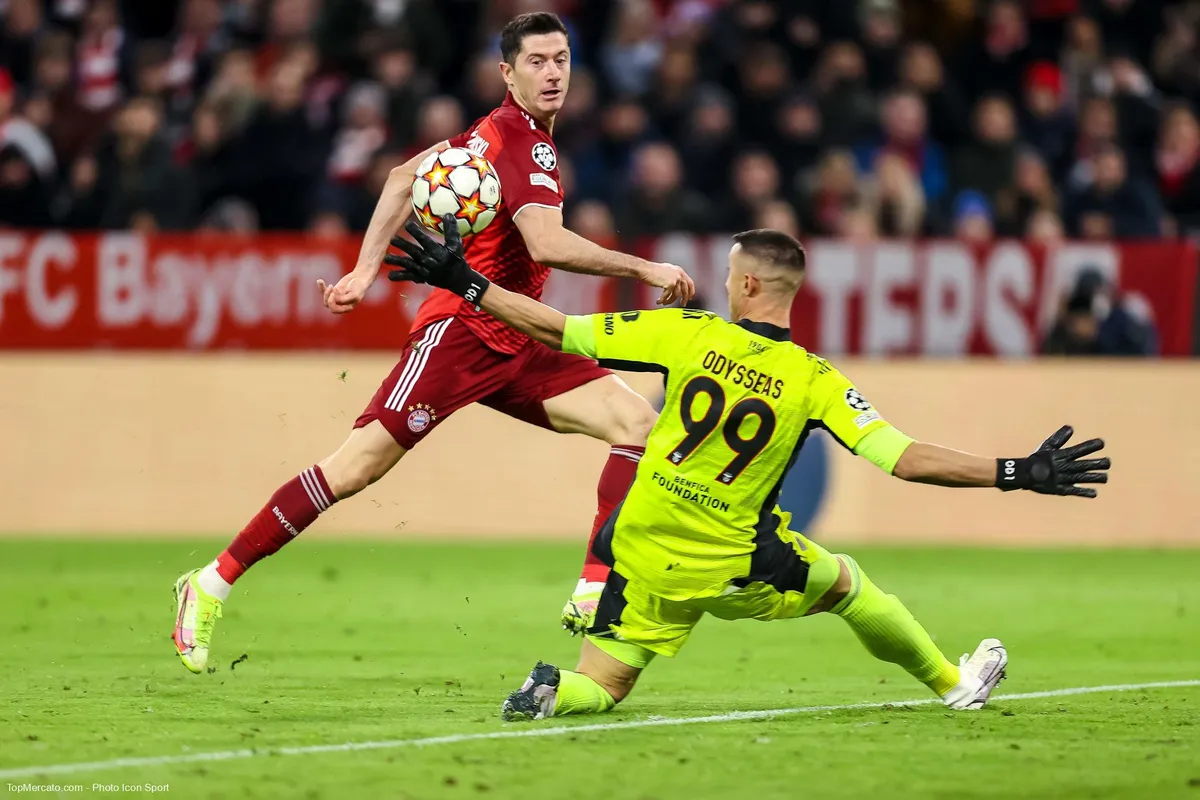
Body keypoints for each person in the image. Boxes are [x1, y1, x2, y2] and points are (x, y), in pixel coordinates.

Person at [386, 217, 1111, 721]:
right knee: (851, 584)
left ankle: (550, 693)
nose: (725, 285)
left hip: (637, 546)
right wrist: (1017, 471)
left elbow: (558, 328)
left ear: (756, 288)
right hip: (729, 559)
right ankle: (956, 685)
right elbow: (904, 458)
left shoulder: (683, 332)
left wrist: (466, 280)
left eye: (732, 276)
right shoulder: (812, 379)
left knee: (603, 684)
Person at [170, 12, 694, 674]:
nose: (554, 72)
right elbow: (546, 243)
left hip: (519, 331)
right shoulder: (517, 142)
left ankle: (594, 585)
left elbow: (399, 179)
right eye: (537, 61)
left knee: (636, 423)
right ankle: (211, 582)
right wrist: (644, 267)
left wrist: (365, 269)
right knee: (356, 468)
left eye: (561, 59)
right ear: (507, 73)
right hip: (461, 333)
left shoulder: (499, 135)